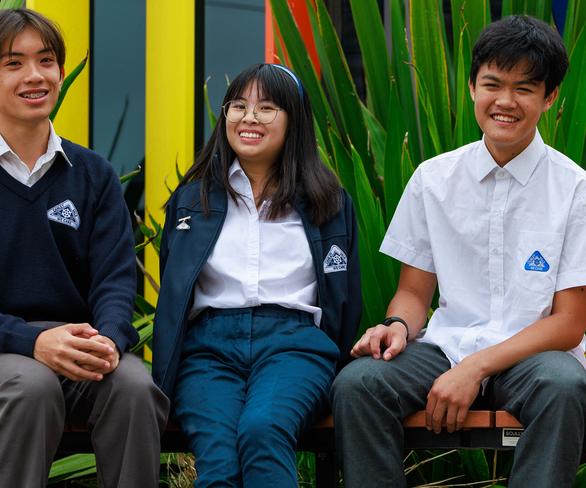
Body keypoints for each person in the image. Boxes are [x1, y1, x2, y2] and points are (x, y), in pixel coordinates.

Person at [332, 15, 586, 488]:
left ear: (549, 98)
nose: (505, 102)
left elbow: (570, 322)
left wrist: (476, 367)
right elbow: (413, 292)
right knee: (359, 384)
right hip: (447, 345)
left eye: (525, 89)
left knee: (564, 385)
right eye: (493, 84)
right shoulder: (433, 178)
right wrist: (395, 327)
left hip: (533, 356)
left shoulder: (574, 190)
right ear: (472, 87)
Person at [0, 8, 169, 487]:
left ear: (62, 72)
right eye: (14, 64)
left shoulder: (94, 175)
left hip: (81, 344)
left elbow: (115, 280)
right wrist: (35, 342)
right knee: (30, 387)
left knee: (134, 388)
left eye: (46, 61)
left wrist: (107, 340)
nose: (35, 76)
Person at [153, 63, 361, 487]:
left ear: (294, 121)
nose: (249, 118)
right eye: (239, 106)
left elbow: (345, 297)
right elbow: (175, 292)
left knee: (263, 430)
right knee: (219, 455)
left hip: (294, 345)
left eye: (267, 108)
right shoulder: (192, 200)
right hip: (208, 350)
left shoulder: (329, 201)